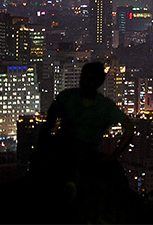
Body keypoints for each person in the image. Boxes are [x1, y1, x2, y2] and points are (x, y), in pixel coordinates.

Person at [39, 62, 134, 203]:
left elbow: (129, 128)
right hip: (64, 147)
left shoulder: (104, 106)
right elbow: (48, 124)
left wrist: (114, 156)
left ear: (98, 83)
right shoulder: (66, 97)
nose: (86, 83)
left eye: (91, 80)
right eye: (84, 78)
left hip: (87, 152)